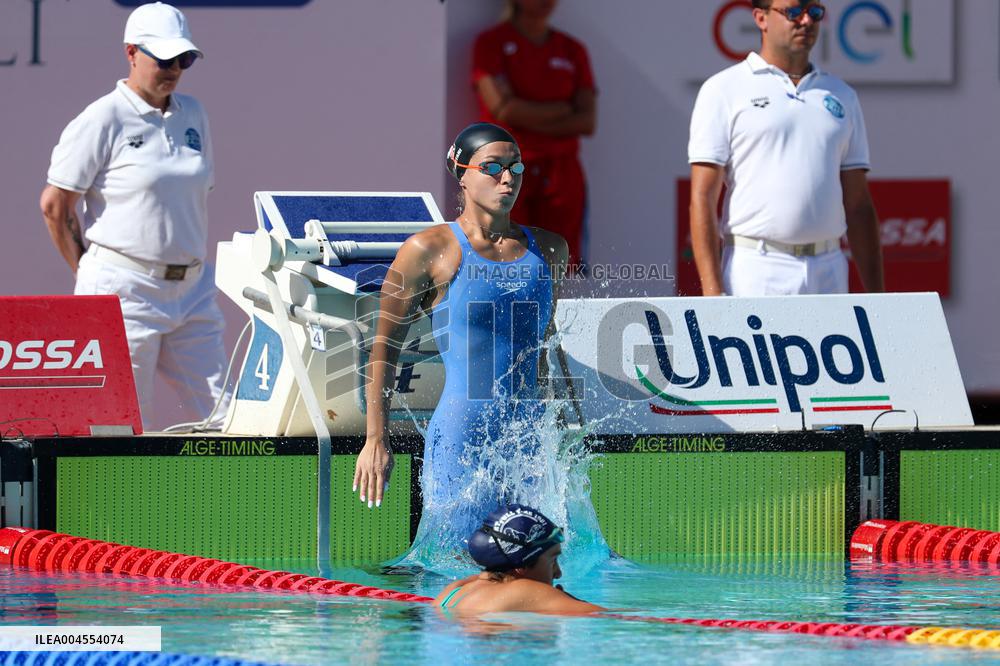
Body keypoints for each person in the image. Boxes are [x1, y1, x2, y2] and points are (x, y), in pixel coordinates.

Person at [352, 123, 568, 564]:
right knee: (453, 567)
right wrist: (376, 438)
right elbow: (383, 347)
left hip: (526, 439)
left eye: (516, 168)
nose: (508, 179)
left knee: (541, 566)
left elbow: (543, 345)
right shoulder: (429, 249)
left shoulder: (549, 249)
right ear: (461, 173)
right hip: (461, 435)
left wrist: (560, 427)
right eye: (493, 168)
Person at [40, 2, 228, 430]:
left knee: (224, 416)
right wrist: (94, 281)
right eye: (163, 58)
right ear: (131, 52)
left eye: (184, 59)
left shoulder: (194, 114)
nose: (174, 68)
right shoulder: (102, 117)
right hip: (123, 289)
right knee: (120, 426)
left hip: (193, 289)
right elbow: (55, 205)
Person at [688, 0, 884, 296]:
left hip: (829, 269)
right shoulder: (723, 90)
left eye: (815, 12)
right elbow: (702, 197)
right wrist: (713, 295)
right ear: (760, 18)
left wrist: (878, 300)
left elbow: (858, 205)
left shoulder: (843, 96)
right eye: (793, 11)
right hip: (756, 269)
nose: (806, 21)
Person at [472, 0, 596, 269]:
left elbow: (587, 121)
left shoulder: (572, 50)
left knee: (560, 261)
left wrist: (527, 117)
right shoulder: (491, 43)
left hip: (562, 173)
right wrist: (564, 109)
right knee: (502, 256)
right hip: (505, 170)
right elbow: (504, 110)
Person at [435, 505, 604, 615]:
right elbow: (610, 617)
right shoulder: (523, 591)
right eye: (552, 561)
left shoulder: (454, 590)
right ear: (522, 564)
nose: (558, 573)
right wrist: (568, 600)